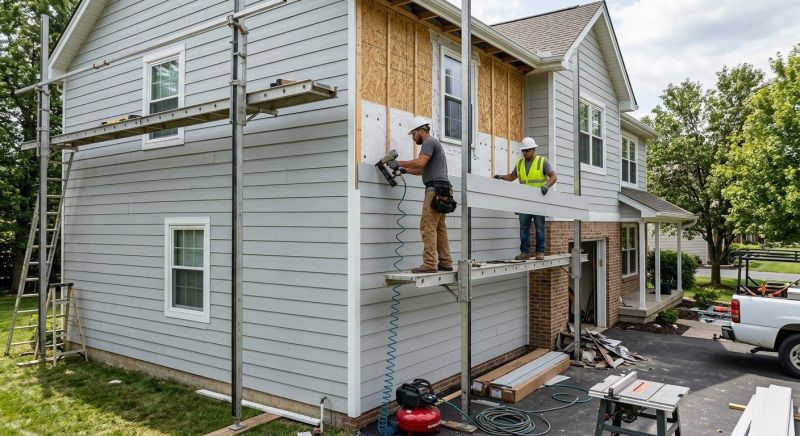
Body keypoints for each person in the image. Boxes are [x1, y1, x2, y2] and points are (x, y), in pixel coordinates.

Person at [389, 117, 453, 273]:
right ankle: (445, 262)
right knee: (439, 228)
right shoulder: (434, 144)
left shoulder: (428, 142)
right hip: (444, 189)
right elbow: (421, 170)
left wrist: (400, 163)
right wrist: (405, 170)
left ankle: (430, 264)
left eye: (413, 134)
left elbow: (420, 163)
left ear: (421, 131)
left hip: (435, 190)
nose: (412, 137)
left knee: (428, 227)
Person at [494, 137, 557, 260]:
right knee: (523, 228)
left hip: (538, 201)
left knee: (539, 228)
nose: (524, 153)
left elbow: (553, 177)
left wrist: (546, 186)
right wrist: (502, 177)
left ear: (533, 149)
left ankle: (540, 252)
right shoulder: (520, 164)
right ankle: (525, 253)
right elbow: (512, 176)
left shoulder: (542, 161)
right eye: (523, 151)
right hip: (524, 202)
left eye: (527, 150)